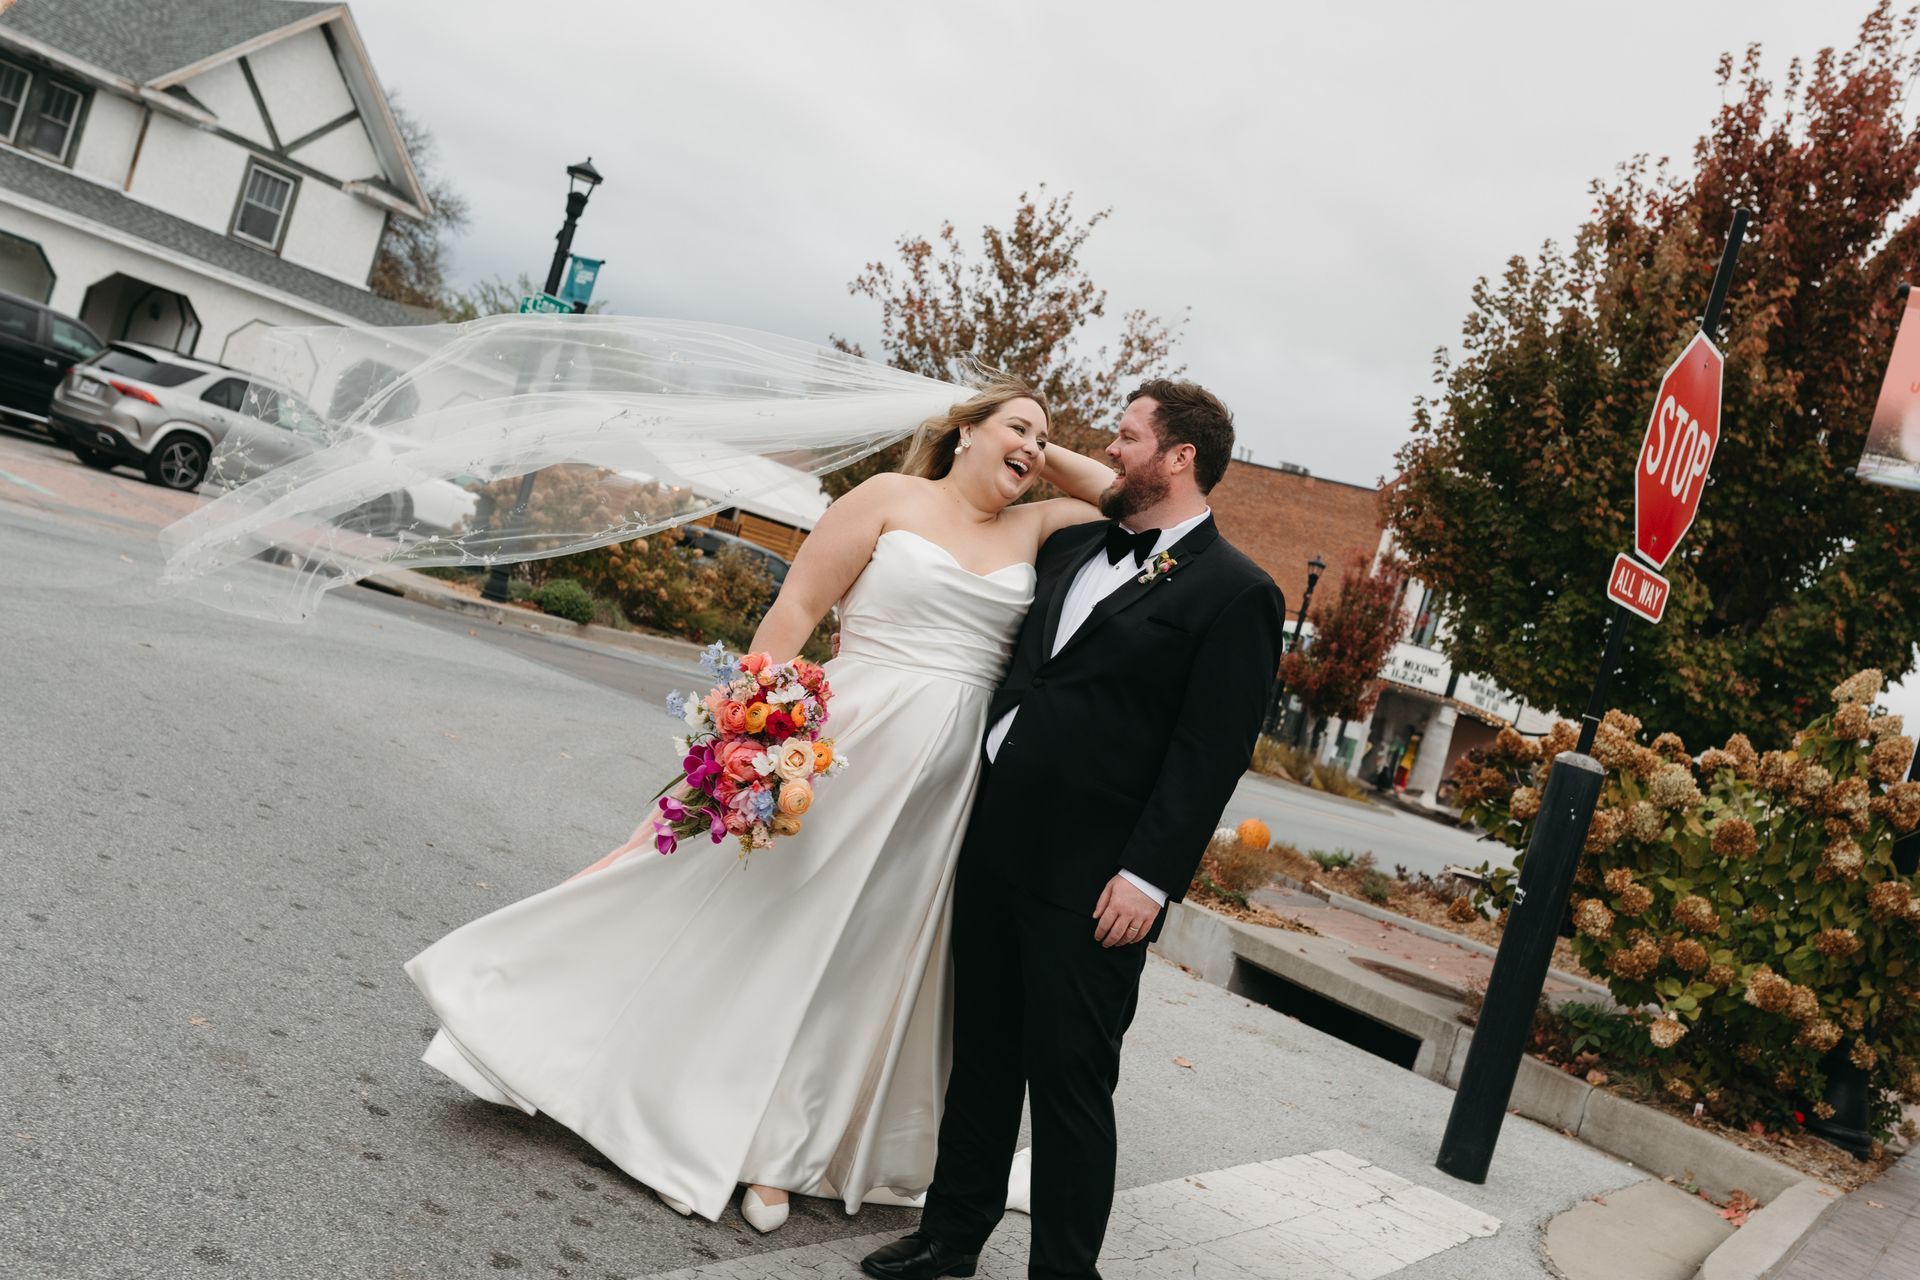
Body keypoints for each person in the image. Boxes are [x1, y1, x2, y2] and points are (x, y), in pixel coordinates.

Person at [404, 375, 1119, 1232]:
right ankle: (631, 1076)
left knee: (865, 958)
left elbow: (1123, 502)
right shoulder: (890, 497)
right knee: (769, 924)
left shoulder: (1034, 526)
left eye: (1044, 440)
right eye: (1016, 429)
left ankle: (784, 1147)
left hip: (945, 790)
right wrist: (750, 741)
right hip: (842, 750)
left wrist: (1030, 442)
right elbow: (799, 606)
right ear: (962, 431)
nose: (1035, 449)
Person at [862, 381, 1285, 1280]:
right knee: (980, 1060)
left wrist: (1149, 876)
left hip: (1096, 883)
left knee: (1070, 1088)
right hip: (993, 842)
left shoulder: (1237, 591)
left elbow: (1207, 755)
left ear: (1180, 458)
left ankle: (1063, 1272)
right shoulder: (1076, 544)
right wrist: (1017, 440)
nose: (1112, 449)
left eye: (1129, 438)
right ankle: (949, 1240)